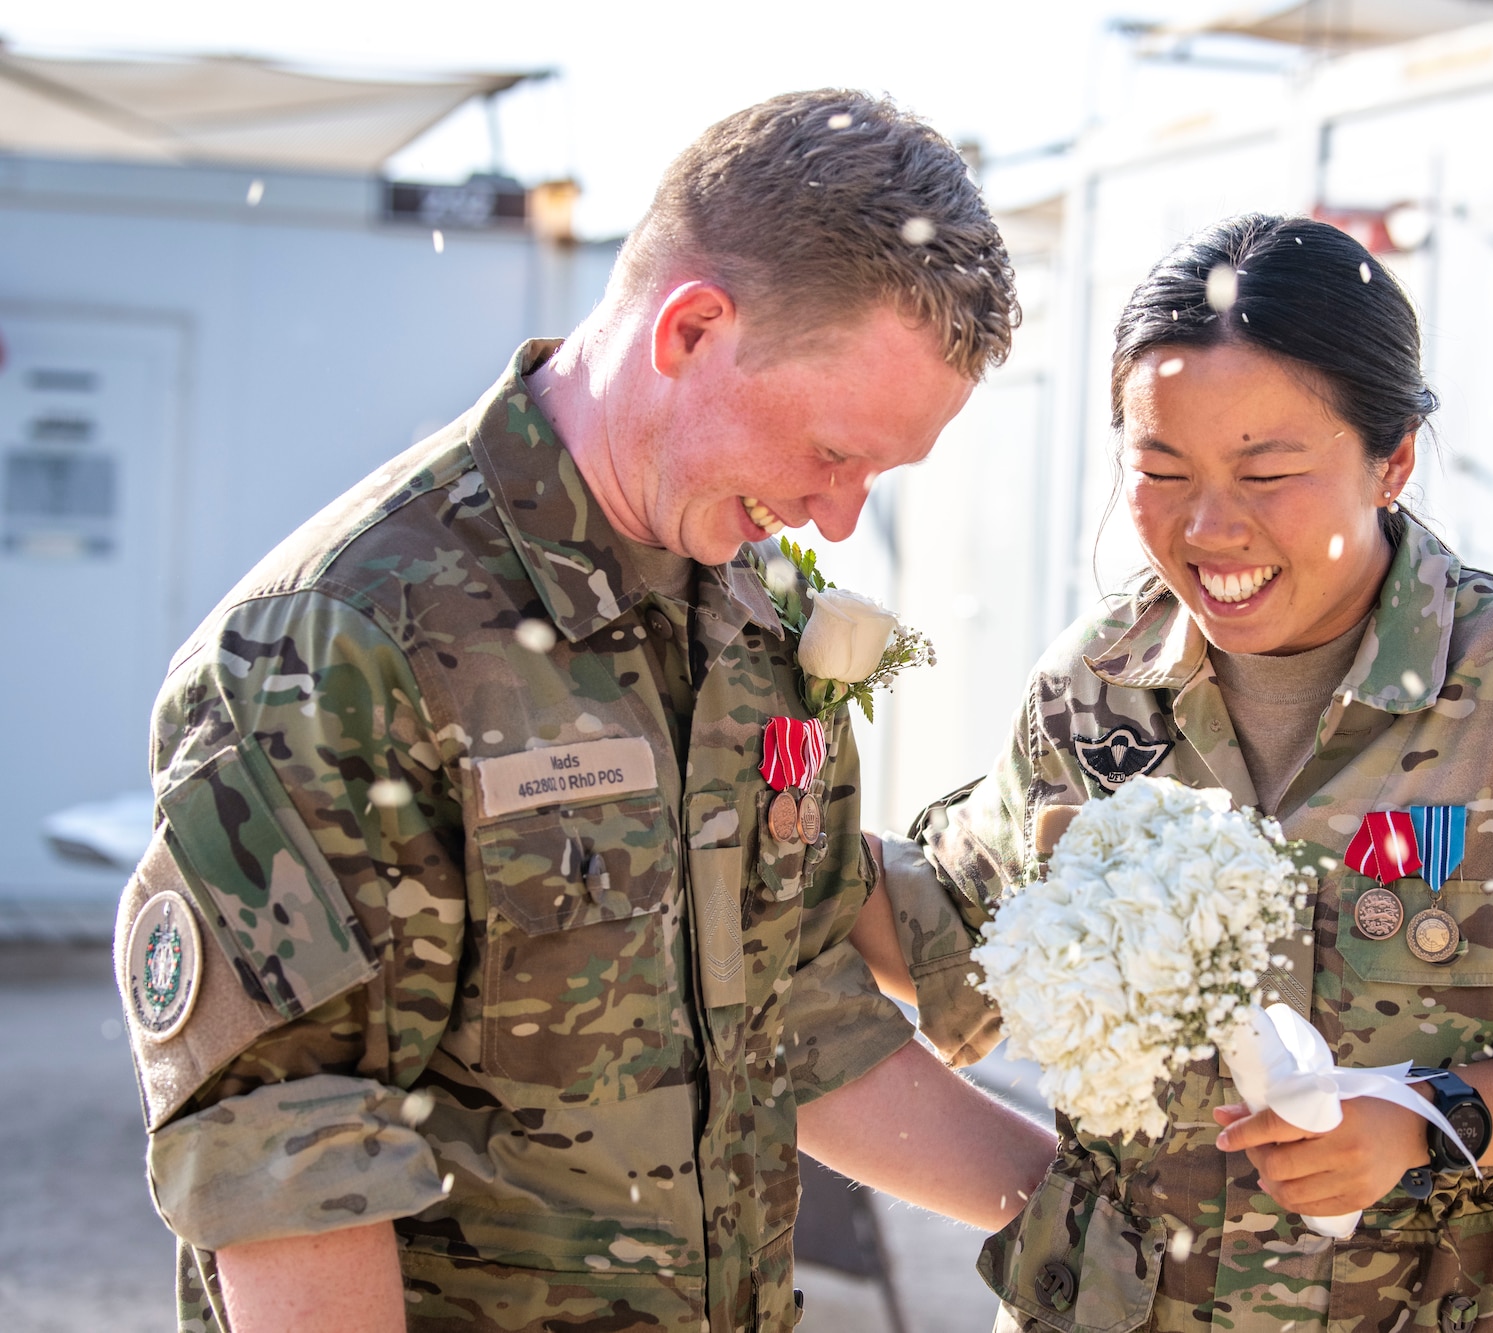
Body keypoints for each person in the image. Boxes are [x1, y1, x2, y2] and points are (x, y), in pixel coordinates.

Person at [114, 89, 1055, 1333]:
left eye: (876, 474)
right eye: (834, 453)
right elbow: (290, 1164)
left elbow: (791, 1018)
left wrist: (1091, 1221)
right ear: (693, 328)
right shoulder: (343, 640)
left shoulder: (754, 615)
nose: (840, 516)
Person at [852, 213, 1493, 1332]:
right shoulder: (1097, 683)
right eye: (1158, 468)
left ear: (1391, 460)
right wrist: (741, 795)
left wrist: (1424, 1118)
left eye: (1268, 470)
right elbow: (950, 931)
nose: (1207, 527)